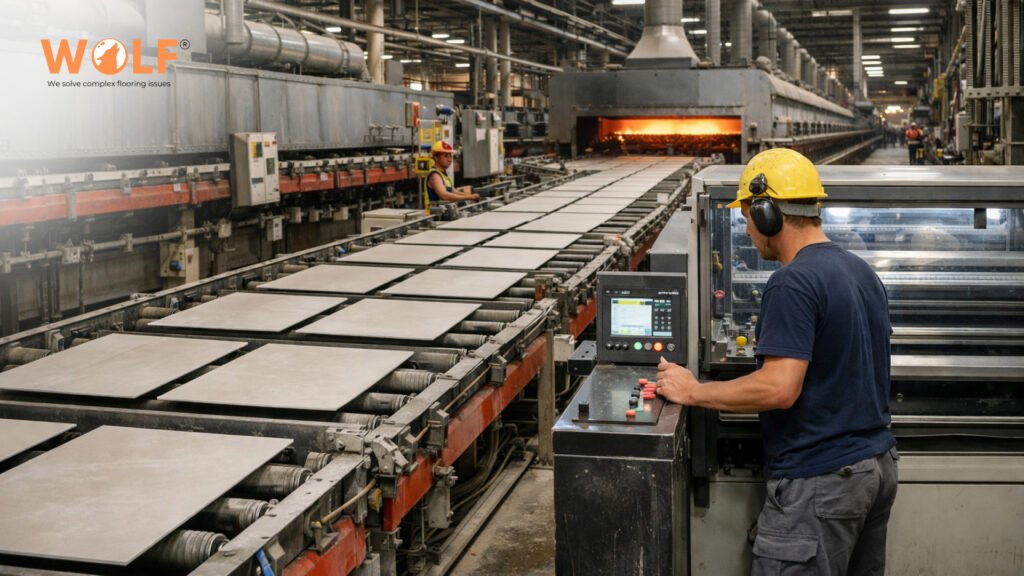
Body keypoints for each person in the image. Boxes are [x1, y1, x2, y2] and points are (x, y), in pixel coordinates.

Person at [655, 148, 898, 576]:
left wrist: (693, 391)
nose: (747, 230)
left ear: (768, 214)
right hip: (876, 469)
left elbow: (779, 388)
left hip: (822, 480)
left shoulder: (792, 282)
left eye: (748, 217)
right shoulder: (861, 272)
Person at [422, 141, 479, 211]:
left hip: (445, 213)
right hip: (435, 215)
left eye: (450, 156)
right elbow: (444, 195)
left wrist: (469, 195)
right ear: (436, 158)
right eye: (446, 156)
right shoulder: (435, 175)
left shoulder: (442, 173)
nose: (449, 159)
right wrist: (467, 197)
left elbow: (452, 191)